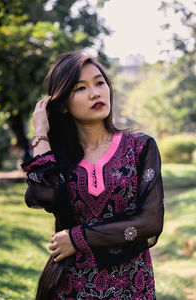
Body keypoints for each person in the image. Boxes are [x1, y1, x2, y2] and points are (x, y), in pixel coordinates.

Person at [22, 51, 164, 300]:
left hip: (132, 286)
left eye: (100, 83)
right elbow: (44, 196)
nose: (96, 93)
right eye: (81, 88)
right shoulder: (58, 159)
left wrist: (78, 238)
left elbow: (151, 221)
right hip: (71, 287)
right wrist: (41, 132)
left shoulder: (139, 147)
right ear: (63, 104)